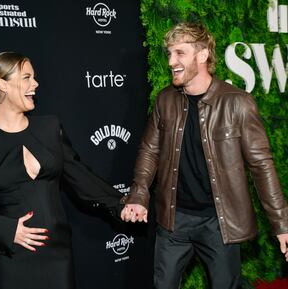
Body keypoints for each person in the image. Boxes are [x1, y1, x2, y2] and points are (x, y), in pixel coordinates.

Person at [120, 22, 288, 289]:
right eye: (169, 54)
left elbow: (261, 165)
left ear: (202, 55)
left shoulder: (238, 102)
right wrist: (139, 194)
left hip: (219, 223)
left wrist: (282, 224)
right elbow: (149, 150)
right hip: (174, 220)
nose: (171, 61)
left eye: (180, 53)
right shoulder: (165, 100)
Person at [0, 51, 123, 289]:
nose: (35, 84)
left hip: (57, 254)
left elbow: (80, 176)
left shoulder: (49, 128)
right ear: (2, 84)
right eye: (26, 77)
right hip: (12, 256)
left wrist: (121, 204)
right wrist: (9, 231)